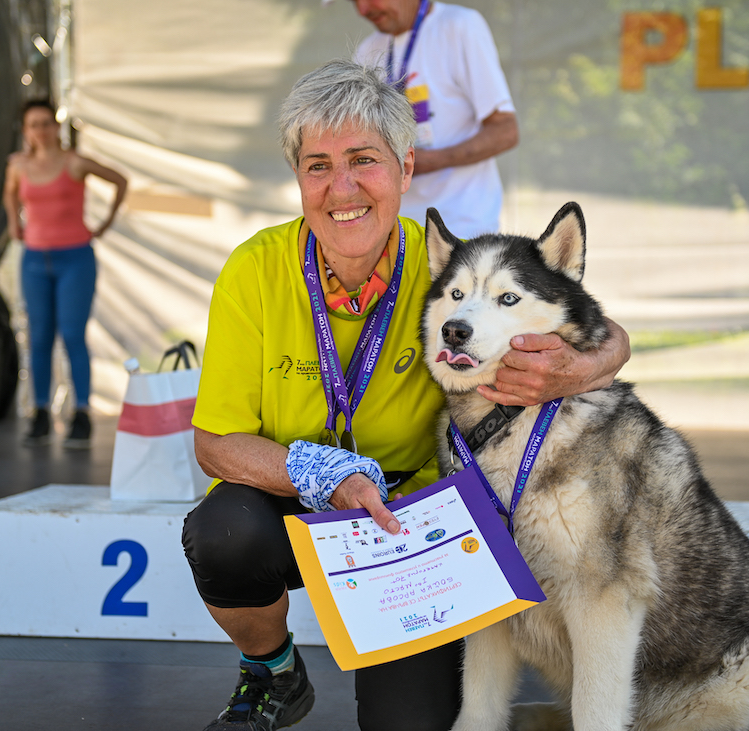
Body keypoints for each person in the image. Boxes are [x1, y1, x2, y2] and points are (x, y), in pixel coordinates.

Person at [182, 59, 630, 731]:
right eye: (317, 165)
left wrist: (582, 367)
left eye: (364, 160)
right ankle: (272, 671)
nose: (342, 188)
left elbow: (601, 329)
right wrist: (321, 473)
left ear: (405, 168)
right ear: (298, 177)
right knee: (223, 534)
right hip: (296, 498)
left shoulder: (451, 266)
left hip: (418, 523)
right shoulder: (254, 270)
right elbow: (215, 442)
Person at [3, 99, 127, 449]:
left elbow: (120, 180)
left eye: (45, 123)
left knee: (72, 333)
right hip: (34, 260)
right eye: (33, 124)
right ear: (25, 131)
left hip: (75, 258)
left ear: (56, 127)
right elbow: (9, 195)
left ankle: (82, 413)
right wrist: (14, 221)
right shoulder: (18, 165)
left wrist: (104, 224)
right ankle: (40, 412)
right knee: (39, 335)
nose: (40, 130)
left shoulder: (75, 163)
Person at [347, 0, 518, 239]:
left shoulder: (459, 26)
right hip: (396, 232)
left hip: (461, 230)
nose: (363, 10)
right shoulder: (367, 50)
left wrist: (425, 161)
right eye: (352, 0)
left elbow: (505, 132)